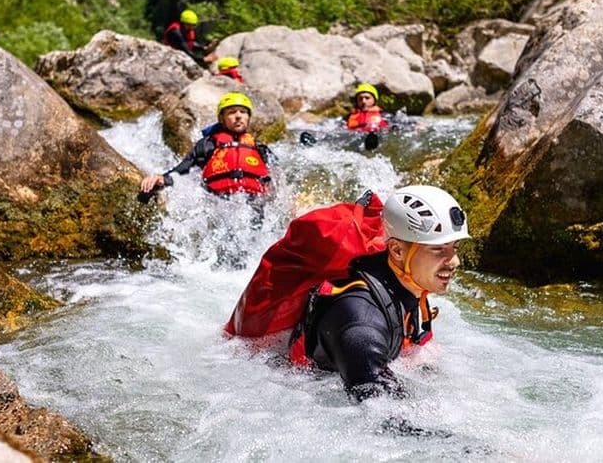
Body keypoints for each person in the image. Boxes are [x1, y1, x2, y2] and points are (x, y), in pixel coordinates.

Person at [289, 185, 469, 400]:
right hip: (301, 392)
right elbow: (380, 411)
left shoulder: (405, 284)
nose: (454, 262)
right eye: (438, 249)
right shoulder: (361, 322)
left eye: (455, 248)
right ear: (397, 250)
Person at [140, 91, 273, 198]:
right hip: (219, 203)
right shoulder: (208, 144)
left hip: (255, 203)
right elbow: (183, 170)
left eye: (243, 112)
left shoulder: (259, 147)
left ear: (248, 117)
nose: (238, 116)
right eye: (232, 112)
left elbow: (279, 179)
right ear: (222, 119)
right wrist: (162, 178)